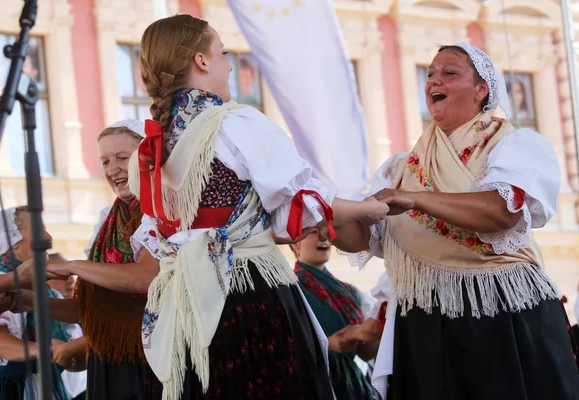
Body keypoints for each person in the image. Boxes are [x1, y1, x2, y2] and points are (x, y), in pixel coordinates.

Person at [129, 14, 389, 400]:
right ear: (201, 61)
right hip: (245, 293)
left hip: (178, 306)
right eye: (222, 51)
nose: (229, 63)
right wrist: (373, 209)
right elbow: (300, 208)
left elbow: (161, 232)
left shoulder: (148, 150)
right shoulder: (235, 122)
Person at [333, 43, 579, 400]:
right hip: (424, 322)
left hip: (499, 314)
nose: (434, 80)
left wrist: (416, 199)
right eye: (430, 74)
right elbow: (359, 238)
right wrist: (329, 211)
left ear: (482, 91)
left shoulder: (511, 145)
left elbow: (501, 212)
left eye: (449, 72)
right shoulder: (401, 168)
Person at [43, 120, 163, 400]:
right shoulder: (107, 221)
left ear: (148, 156)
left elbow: (144, 277)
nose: (113, 170)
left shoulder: (161, 210)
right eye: (105, 161)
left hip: (153, 356)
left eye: (123, 158)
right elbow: (91, 309)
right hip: (109, 357)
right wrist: (25, 301)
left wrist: (73, 266)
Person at [0, 206, 85, 399]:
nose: (47, 237)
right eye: (38, 229)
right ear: (12, 241)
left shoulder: (46, 289)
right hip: (11, 392)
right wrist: (49, 351)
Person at [289, 231, 379, 399]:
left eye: (325, 230)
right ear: (295, 243)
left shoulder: (350, 292)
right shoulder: (289, 292)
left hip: (352, 385)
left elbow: (365, 353)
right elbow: (283, 345)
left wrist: (375, 331)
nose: (323, 237)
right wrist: (327, 345)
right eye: (313, 232)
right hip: (315, 384)